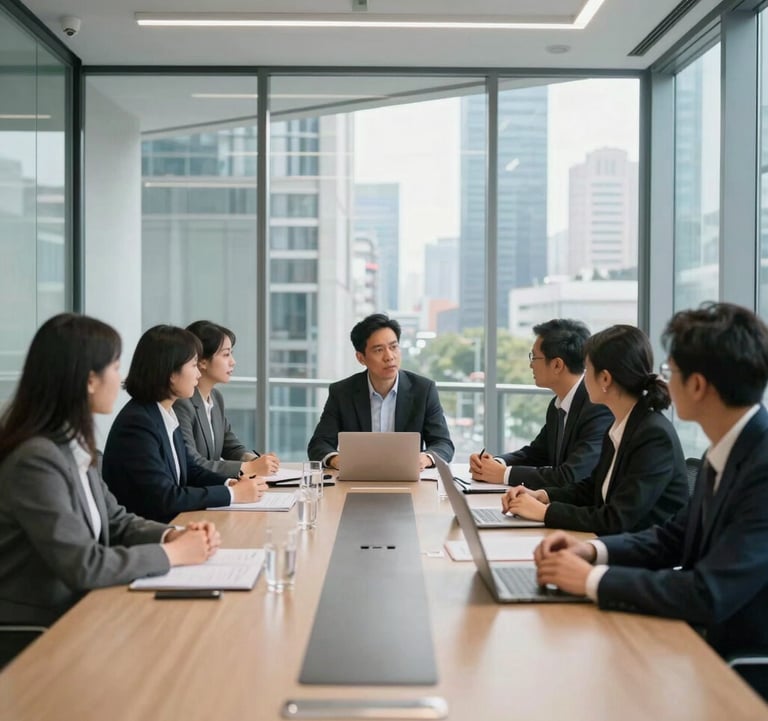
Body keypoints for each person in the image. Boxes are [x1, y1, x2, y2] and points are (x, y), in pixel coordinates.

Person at [533, 303, 768, 660]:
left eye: (670, 370)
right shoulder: (724, 453)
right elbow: (672, 537)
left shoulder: (761, 468)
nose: (663, 380)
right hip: (693, 638)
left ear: (698, 385)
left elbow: (709, 593)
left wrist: (591, 580)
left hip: (733, 663)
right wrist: (593, 552)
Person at [0, 314, 220, 628]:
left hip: (81, 612)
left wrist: (173, 534)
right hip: (37, 632)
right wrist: (174, 553)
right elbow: (83, 564)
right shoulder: (35, 460)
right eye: (115, 367)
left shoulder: (73, 445)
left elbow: (116, 521)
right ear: (90, 380)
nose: (121, 378)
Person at [501, 325, 688, 535]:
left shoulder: (653, 435)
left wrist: (546, 512)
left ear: (605, 379)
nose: (583, 376)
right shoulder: (622, 424)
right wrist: (544, 496)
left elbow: (616, 519)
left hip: (642, 556)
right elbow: (592, 489)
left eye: (587, 369)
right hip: (614, 544)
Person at [103, 325, 268, 523]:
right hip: (151, 532)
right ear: (171, 373)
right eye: (193, 366)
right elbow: (165, 497)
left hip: (174, 524)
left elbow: (190, 470)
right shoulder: (138, 423)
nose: (198, 375)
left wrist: (230, 483)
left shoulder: (163, 412)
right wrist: (232, 495)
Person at [469, 319, 612, 488]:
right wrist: (496, 463)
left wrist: (504, 475)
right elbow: (536, 454)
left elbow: (572, 475)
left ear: (557, 365)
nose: (530, 365)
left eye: (534, 357)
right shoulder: (558, 405)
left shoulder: (597, 408)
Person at [307, 313, 454, 469]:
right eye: (378, 350)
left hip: (409, 479)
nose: (389, 357)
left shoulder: (423, 390)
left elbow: (443, 443)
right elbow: (319, 444)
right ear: (361, 358)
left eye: (393, 347)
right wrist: (337, 460)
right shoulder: (342, 392)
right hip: (358, 479)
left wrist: (426, 458)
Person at [174, 320, 279, 478]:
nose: (233, 362)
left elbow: (229, 445)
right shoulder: (182, 403)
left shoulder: (216, 397)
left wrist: (254, 459)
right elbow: (193, 463)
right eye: (226, 354)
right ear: (201, 361)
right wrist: (249, 467)